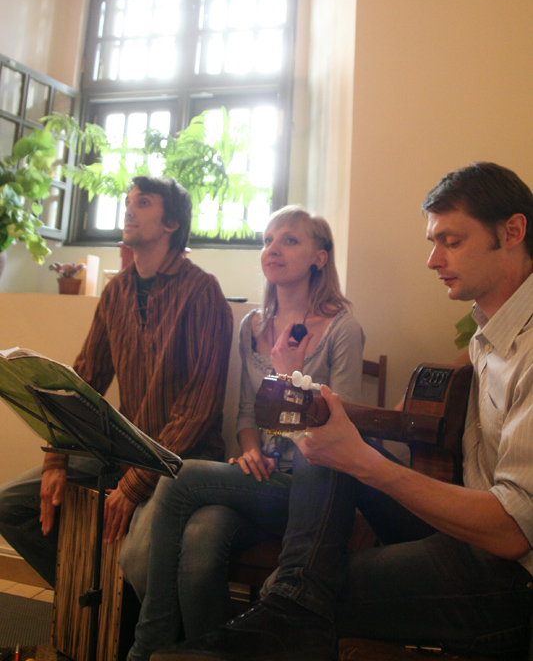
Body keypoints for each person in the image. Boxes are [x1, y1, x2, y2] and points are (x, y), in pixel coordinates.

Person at [164, 162, 533, 661]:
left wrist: (364, 461)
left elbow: (514, 530)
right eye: (433, 241)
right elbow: (278, 419)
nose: (432, 259)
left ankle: (287, 607)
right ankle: (291, 602)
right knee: (325, 451)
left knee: (300, 589)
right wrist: (317, 414)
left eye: (451, 240)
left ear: (512, 232)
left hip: (510, 574)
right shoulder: (488, 335)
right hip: (467, 529)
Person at [127, 205, 365, 661]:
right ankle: (204, 652)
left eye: (289, 240)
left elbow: (343, 430)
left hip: (312, 489)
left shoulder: (343, 328)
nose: (273, 249)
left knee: (179, 476)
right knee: (200, 537)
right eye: (268, 240)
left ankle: (148, 645)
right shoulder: (251, 325)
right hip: (260, 480)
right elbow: (245, 414)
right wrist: (250, 451)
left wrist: (289, 376)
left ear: (319, 257)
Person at [0, 175, 233, 601]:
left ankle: (131, 619)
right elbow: (83, 380)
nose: (128, 209)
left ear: (171, 224)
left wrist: (134, 484)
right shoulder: (117, 291)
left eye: (143, 202)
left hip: (184, 463)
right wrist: (56, 458)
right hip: (122, 452)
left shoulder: (203, 291)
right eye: (128, 202)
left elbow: (198, 409)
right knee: (11, 505)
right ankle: (104, 604)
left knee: (138, 558)